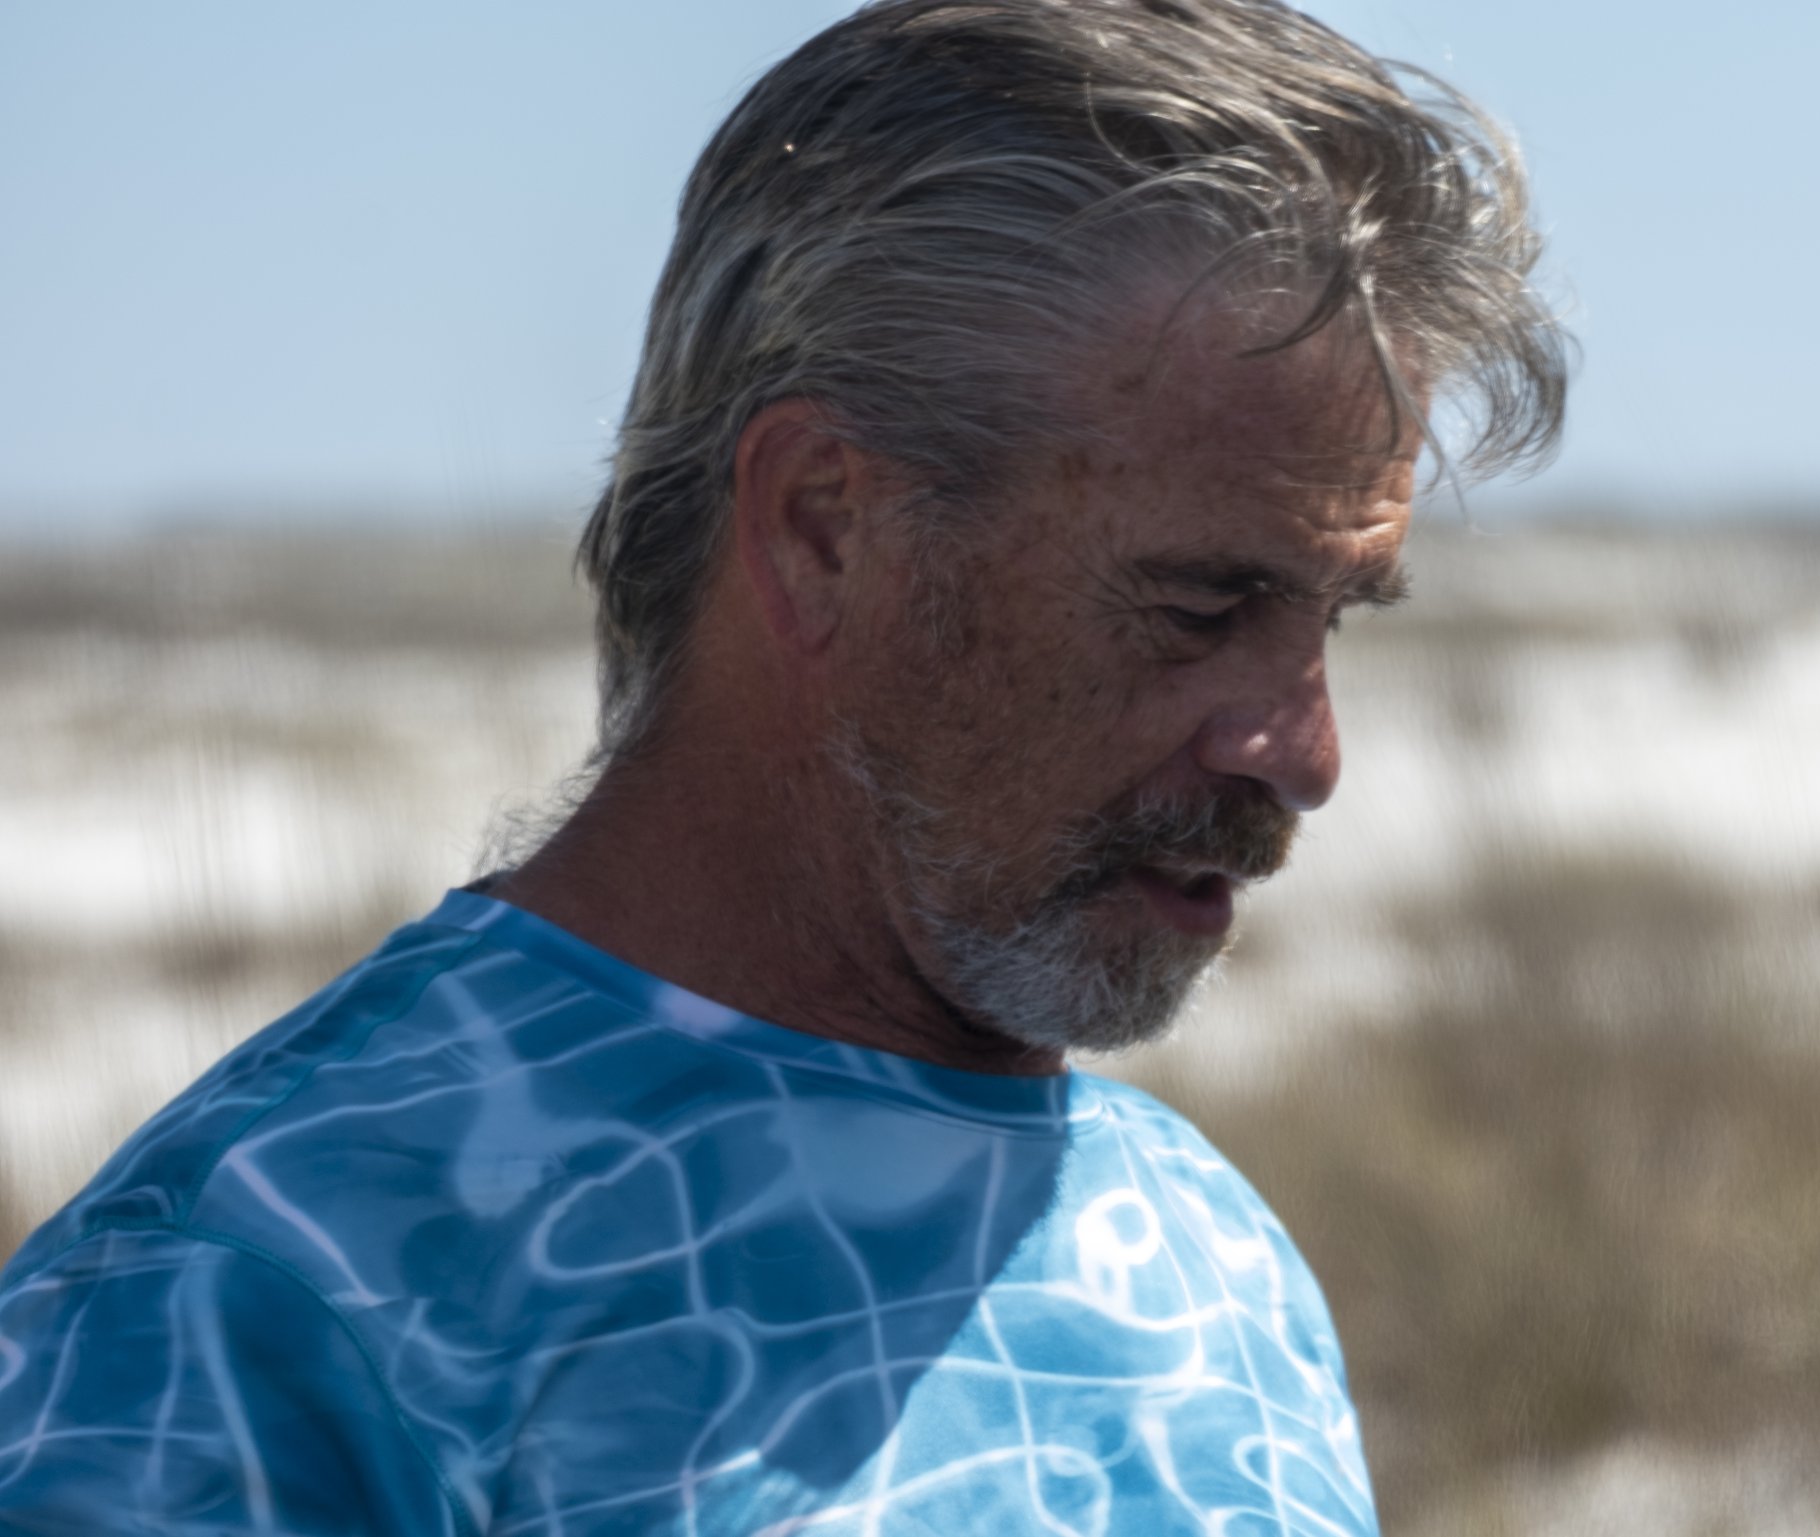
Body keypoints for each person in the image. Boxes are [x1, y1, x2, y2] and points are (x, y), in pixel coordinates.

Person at [0, 0, 1564, 1530]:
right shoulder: (248, 1307)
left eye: (1329, 619)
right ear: (826, 525)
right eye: (1202, 607)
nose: (1303, 752)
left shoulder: (1202, 1253)